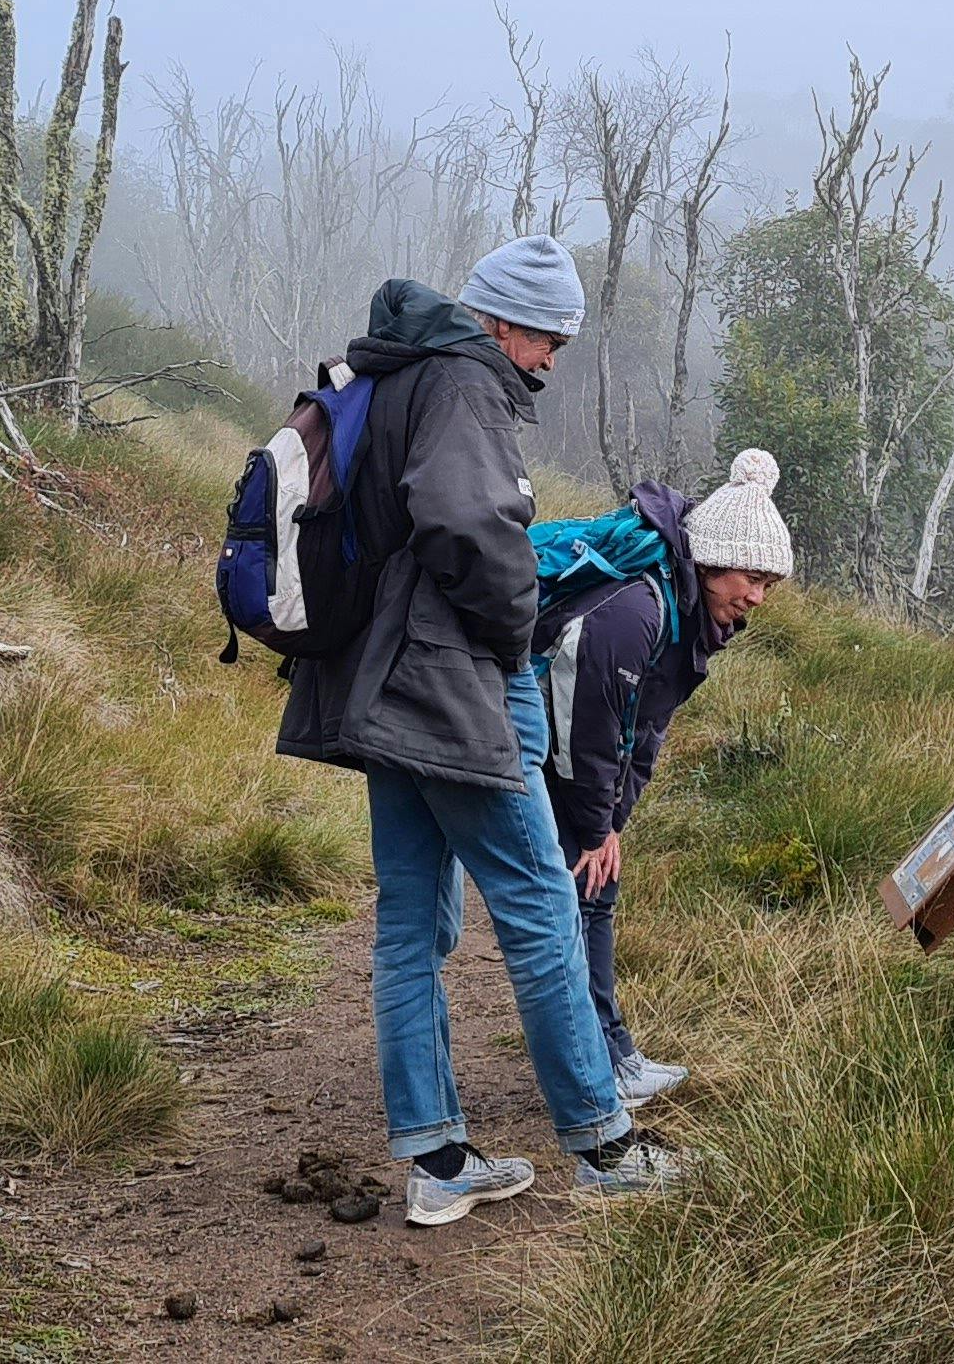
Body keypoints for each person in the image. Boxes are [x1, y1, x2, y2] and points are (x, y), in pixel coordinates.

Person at [272, 235, 678, 1227]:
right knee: (539, 905)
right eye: (548, 341)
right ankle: (604, 1145)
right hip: (450, 683)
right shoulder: (462, 377)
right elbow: (465, 522)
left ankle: (440, 1159)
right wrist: (511, 635)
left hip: (379, 683)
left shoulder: (397, 372)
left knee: (411, 921)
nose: (548, 362)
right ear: (505, 322)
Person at [533, 448, 790, 1109]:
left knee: (594, 893)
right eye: (749, 577)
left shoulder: (689, 617)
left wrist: (612, 823)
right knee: (566, 906)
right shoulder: (637, 610)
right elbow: (586, 722)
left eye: (768, 584)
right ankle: (592, 1074)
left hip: (569, 769)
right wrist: (593, 828)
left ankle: (611, 1056)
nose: (756, 597)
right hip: (520, 748)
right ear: (710, 558)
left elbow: (646, 731)